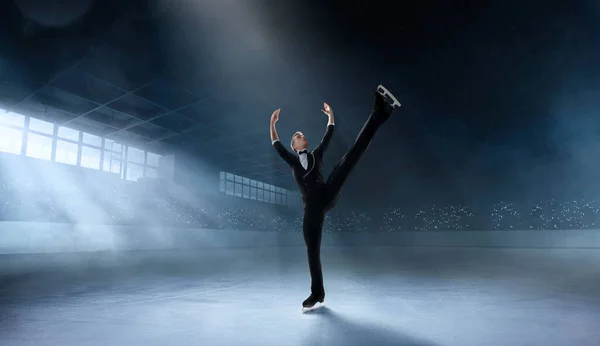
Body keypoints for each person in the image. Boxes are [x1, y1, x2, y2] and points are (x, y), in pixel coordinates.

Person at [269, 85, 400, 309]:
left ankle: (380, 113)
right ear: (294, 145)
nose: (301, 135)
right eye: (297, 136)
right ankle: (317, 293)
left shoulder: (316, 154)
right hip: (311, 209)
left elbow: (328, 134)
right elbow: (276, 145)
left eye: (302, 134)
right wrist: (272, 124)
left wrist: (331, 116)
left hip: (327, 193)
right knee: (312, 252)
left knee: (351, 156)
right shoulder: (291, 160)